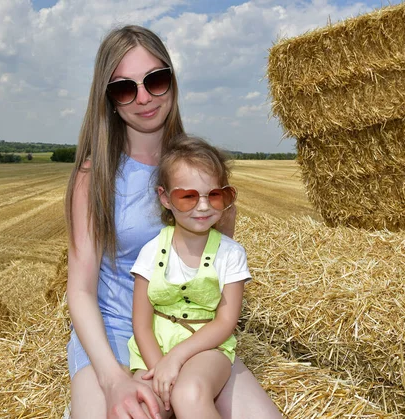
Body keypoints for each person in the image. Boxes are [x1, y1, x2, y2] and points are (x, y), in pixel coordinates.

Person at [65, 24, 281, 419]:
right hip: (113, 334)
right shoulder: (93, 178)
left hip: (191, 334)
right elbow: (80, 291)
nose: (144, 98)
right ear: (109, 99)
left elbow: (214, 273)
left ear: (172, 82)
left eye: (155, 80)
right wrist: (114, 381)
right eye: (124, 88)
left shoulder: (202, 172)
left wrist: (188, 356)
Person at [128, 135, 245, 419]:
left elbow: (226, 321)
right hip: (153, 351)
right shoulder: (151, 251)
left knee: (188, 392)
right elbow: (141, 325)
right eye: (188, 196)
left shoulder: (231, 254)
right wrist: (160, 369)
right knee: (143, 410)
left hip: (208, 347)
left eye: (214, 195)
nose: (203, 206)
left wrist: (178, 358)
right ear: (165, 198)